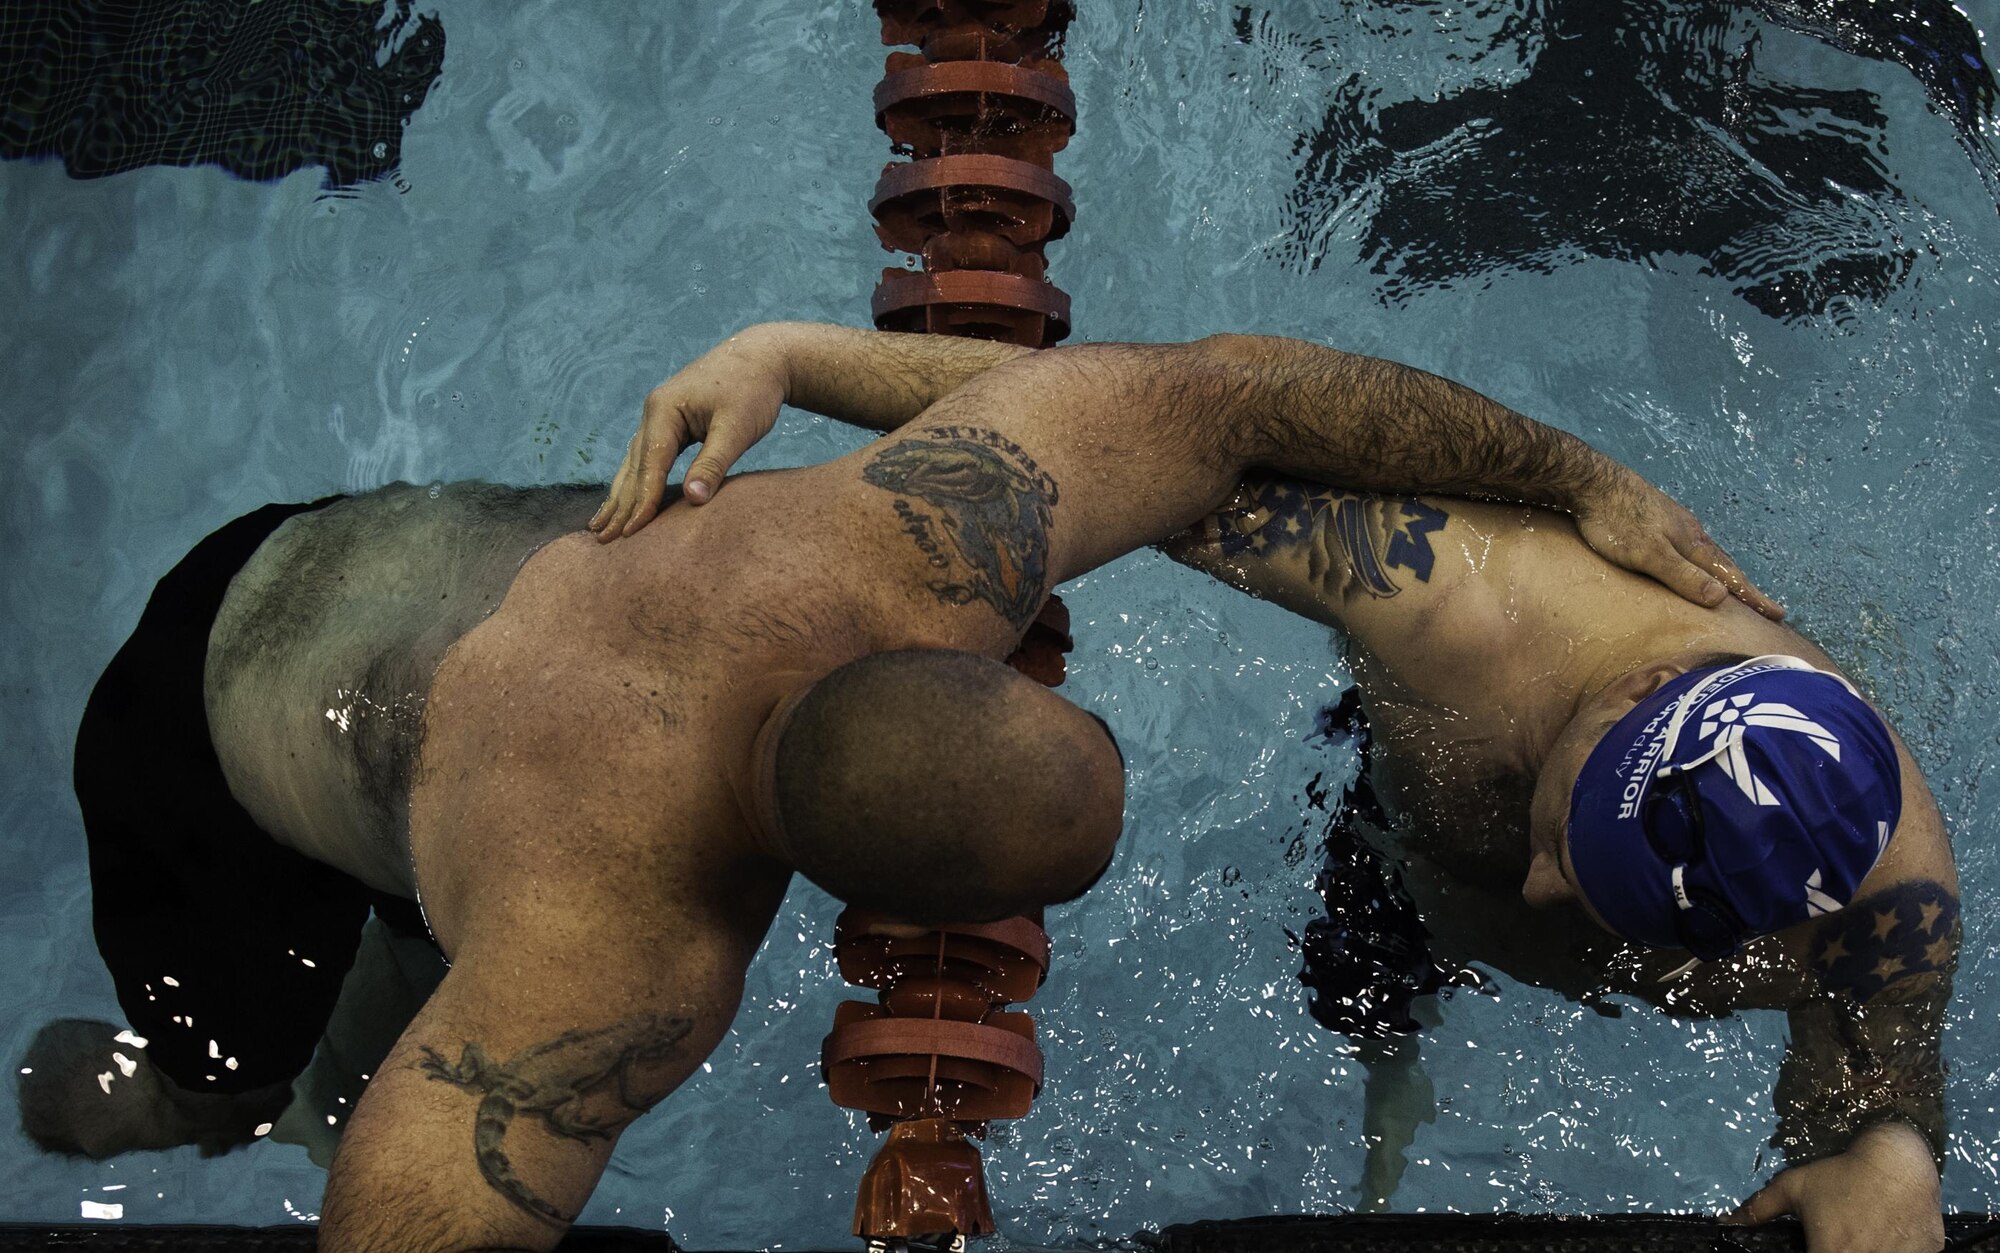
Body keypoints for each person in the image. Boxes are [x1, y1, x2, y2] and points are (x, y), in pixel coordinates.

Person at [73, 321, 1760, 1253]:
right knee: (223, 1092)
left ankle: (385, 952)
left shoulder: (922, 524)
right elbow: (405, 1211)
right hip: (199, 760)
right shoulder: (615, 950)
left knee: (418, 965)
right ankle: (122, 1096)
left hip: (320, 562)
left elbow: (1247, 392)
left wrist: (1583, 482)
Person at [607, 324, 1959, 1253]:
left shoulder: (1886, 872)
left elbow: (1879, 1059)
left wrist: (1887, 1144)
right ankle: (1391, 1080)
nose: (1548, 881)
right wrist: (791, 360)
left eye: (1593, 876)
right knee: (1371, 1007)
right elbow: (1125, 424)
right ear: (1622, 697)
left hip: (1483, 861)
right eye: (1569, 828)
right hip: (1396, 846)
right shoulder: (1454, 601)